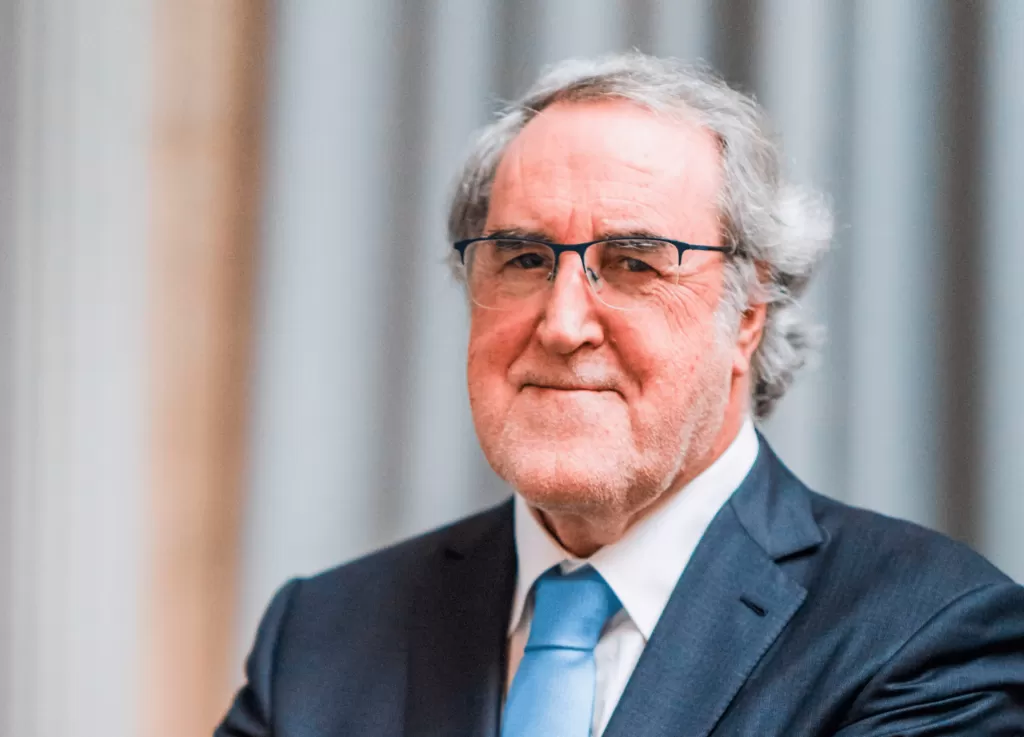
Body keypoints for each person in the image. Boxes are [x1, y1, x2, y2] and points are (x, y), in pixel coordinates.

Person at [216, 53, 1024, 737]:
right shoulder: (319, 636)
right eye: (523, 259)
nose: (563, 324)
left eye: (635, 262)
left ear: (748, 312)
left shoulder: (926, 639)